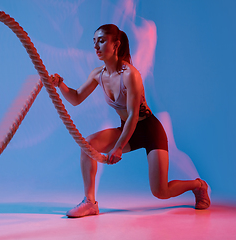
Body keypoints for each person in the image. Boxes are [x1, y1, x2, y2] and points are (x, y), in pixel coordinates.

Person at [51, 24, 210, 218]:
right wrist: (60, 84)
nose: (96, 47)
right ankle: (90, 203)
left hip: (149, 129)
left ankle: (198, 185)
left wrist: (118, 147)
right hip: (127, 128)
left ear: (116, 45)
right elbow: (76, 98)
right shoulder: (97, 74)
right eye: (94, 42)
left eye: (101, 41)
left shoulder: (131, 75)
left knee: (160, 192)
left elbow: (134, 116)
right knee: (88, 145)